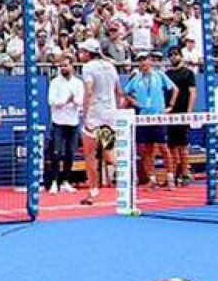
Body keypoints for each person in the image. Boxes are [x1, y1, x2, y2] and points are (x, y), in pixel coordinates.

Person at [123, 51, 177, 188]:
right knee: (146, 149)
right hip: (143, 117)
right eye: (140, 60)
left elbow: (174, 89)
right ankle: (152, 179)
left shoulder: (159, 75)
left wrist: (170, 106)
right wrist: (135, 103)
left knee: (163, 148)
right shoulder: (136, 78)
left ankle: (170, 177)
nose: (143, 63)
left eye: (145, 60)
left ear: (150, 61)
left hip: (158, 117)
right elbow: (125, 92)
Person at [78, 39, 120, 206]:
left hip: (95, 114)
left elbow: (89, 92)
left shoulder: (88, 67)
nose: (81, 54)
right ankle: (127, 174)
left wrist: (85, 115)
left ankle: (93, 191)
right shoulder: (110, 66)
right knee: (109, 153)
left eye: (83, 51)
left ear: (89, 53)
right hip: (109, 114)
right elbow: (118, 91)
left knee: (90, 154)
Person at [45, 53, 84, 194]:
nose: (63, 68)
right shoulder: (55, 82)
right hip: (58, 123)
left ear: (72, 66)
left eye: (66, 65)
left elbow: (81, 101)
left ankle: (65, 181)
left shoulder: (78, 83)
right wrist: (65, 101)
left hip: (73, 123)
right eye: (61, 66)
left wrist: (74, 101)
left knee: (70, 153)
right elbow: (51, 101)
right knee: (56, 153)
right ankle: (54, 182)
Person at [165, 47, 196, 187]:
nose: (173, 57)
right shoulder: (167, 74)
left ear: (181, 56)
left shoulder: (188, 73)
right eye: (171, 55)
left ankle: (185, 174)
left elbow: (192, 93)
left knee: (183, 146)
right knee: (171, 146)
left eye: (176, 54)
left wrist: (188, 112)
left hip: (183, 112)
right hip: (170, 114)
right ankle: (173, 174)